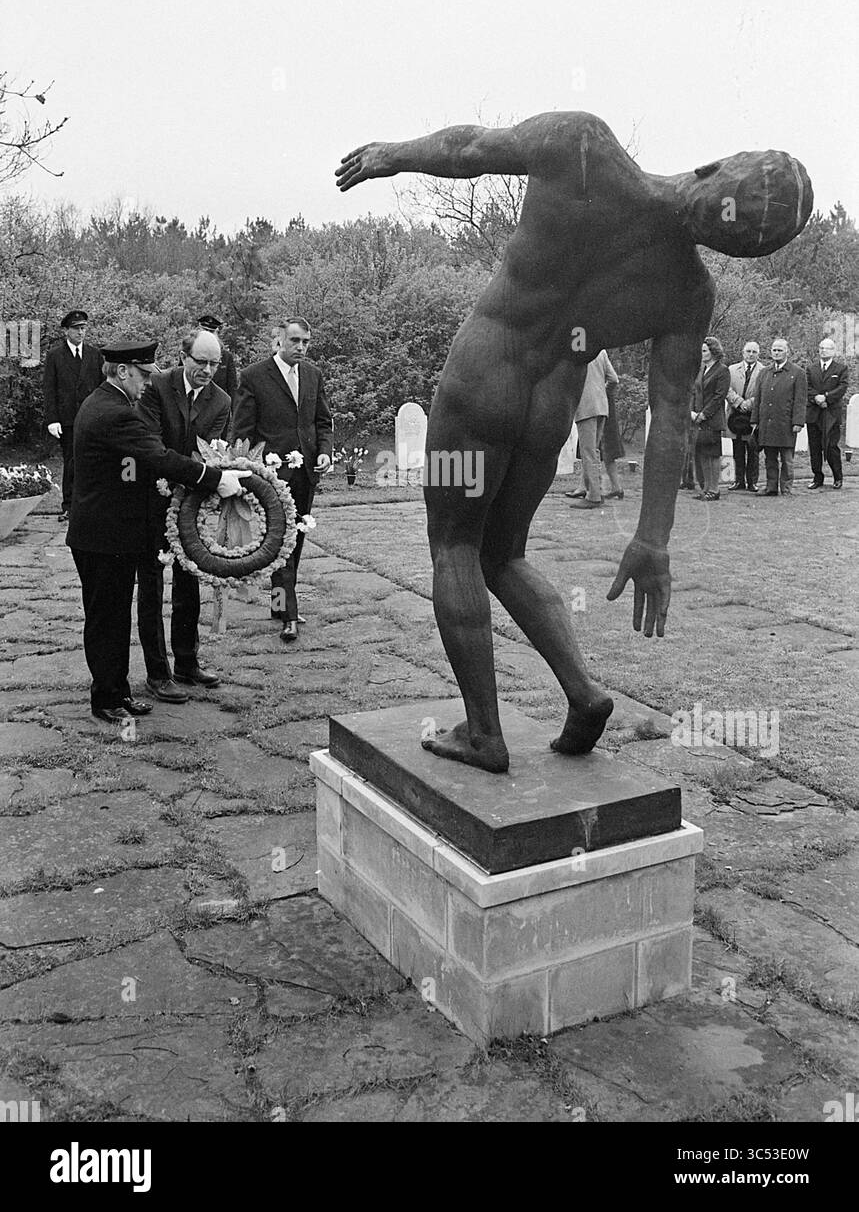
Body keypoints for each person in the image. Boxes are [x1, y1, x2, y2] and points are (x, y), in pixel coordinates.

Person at [337, 113, 813, 772]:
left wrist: (392, 154)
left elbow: (469, 148)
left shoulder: (582, 149)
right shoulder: (686, 290)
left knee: (455, 546)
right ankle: (583, 694)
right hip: (551, 402)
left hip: (486, 370)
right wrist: (651, 537)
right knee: (504, 555)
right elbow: (670, 415)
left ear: (717, 163)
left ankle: (482, 733)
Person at [66, 340, 244, 724]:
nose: (148, 382)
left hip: (107, 533)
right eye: (144, 374)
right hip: (101, 536)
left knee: (114, 617)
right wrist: (214, 479)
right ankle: (106, 699)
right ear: (123, 371)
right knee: (106, 619)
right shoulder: (115, 413)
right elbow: (158, 456)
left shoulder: (109, 404)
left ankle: (119, 692)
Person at [136, 329, 232, 701]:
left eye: (214, 364)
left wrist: (201, 483)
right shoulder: (156, 388)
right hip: (151, 499)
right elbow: (152, 449)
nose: (207, 370)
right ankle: (157, 673)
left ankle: (187, 662)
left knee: (189, 580)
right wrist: (197, 476)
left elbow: (207, 453)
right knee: (152, 586)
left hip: (190, 502)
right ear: (183, 357)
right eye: (201, 362)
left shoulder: (221, 400)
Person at [231, 317, 333, 642]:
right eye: (295, 341)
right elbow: (243, 431)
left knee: (297, 539)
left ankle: (278, 604)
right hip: (272, 475)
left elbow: (322, 421)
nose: (300, 347)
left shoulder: (313, 375)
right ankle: (289, 613)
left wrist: (325, 453)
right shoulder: (254, 376)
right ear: (279, 341)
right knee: (280, 541)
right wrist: (247, 471)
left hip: (306, 473)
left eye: (305, 342)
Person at [43, 310, 103, 521]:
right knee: (71, 461)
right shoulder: (55, 356)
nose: (81, 332)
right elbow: (50, 389)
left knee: (93, 460)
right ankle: (69, 506)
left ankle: (90, 504)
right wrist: (52, 419)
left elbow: (100, 388)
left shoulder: (95, 354)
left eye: (83, 328)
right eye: (77, 328)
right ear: (66, 330)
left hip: (90, 418)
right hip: (67, 419)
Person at [751, 338, 808, 496]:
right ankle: (771, 487)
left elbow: (800, 400)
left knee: (787, 459)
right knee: (770, 458)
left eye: (780, 350)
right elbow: (758, 399)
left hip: (786, 423)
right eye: (774, 350)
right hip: (767, 422)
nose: (776, 352)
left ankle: (786, 488)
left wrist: (798, 422)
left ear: (787, 352)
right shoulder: (764, 372)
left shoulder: (798, 373)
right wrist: (754, 420)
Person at [564, 349, 618, 508]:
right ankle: (594, 489)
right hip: (602, 406)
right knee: (593, 451)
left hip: (586, 407)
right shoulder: (601, 351)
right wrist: (600, 393)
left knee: (588, 452)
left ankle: (594, 495)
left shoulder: (574, 351)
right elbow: (614, 379)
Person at [806, 337, 848, 490]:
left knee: (831, 446)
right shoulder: (811, 368)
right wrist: (816, 398)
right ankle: (817, 477)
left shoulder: (841, 369)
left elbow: (842, 387)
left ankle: (838, 477)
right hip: (814, 412)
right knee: (815, 447)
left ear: (833, 351)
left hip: (831, 414)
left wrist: (826, 397)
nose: (823, 350)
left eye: (827, 348)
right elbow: (807, 386)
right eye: (821, 348)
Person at [690, 336, 730, 500]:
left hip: (712, 420)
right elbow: (695, 392)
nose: (702, 353)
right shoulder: (702, 369)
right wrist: (693, 412)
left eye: (704, 351)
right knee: (702, 455)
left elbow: (719, 397)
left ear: (713, 351)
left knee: (713, 455)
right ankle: (706, 488)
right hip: (698, 419)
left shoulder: (722, 370)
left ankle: (714, 490)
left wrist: (704, 414)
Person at [726, 340, 765, 492]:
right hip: (734, 416)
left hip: (753, 415)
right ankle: (738, 480)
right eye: (748, 351)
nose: (751, 354)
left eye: (754, 352)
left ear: (758, 354)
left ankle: (752, 482)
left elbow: (763, 392)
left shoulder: (764, 371)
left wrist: (748, 404)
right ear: (743, 353)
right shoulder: (732, 369)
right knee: (737, 449)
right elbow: (726, 389)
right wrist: (738, 402)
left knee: (753, 449)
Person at [197, 314, 238, 403]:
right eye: (205, 331)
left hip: (218, 407)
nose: (207, 335)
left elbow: (232, 388)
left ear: (216, 333)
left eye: (211, 332)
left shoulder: (226, 357)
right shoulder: (189, 354)